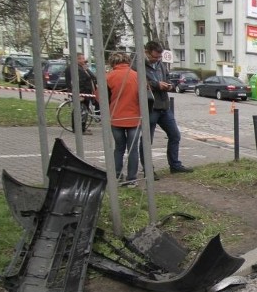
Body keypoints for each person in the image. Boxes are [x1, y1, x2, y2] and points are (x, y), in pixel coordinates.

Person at [136, 41, 192, 174]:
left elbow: (168, 79)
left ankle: (175, 165)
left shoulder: (161, 65)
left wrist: (169, 86)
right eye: (154, 57)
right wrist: (156, 85)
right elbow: (137, 82)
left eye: (159, 57)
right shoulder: (137, 65)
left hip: (164, 106)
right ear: (146, 52)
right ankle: (148, 170)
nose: (157, 59)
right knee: (147, 140)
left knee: (175, 135)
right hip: (150, 107)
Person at [105, 52, 141, 185]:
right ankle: (132, 179)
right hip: (135, 118)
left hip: (116, 118)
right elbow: (146, 96)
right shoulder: (137, 76)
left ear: (112, 63)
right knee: (133, 149)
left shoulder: (108, 77)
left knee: (119, 148)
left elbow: (100, 98)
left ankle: (117, 175)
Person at [64, 52, 98, 134]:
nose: (83, 60)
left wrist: (87, 70)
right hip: (81, 93)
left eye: (83, 58)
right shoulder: (75, 69)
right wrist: (81, 94)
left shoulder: (81, 68)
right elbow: (79, 82)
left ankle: (81, 128)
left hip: (85, 93)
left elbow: (92, 77)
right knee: (81, 111)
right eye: (81, 58)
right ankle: (80, 129)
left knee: (83, 110)